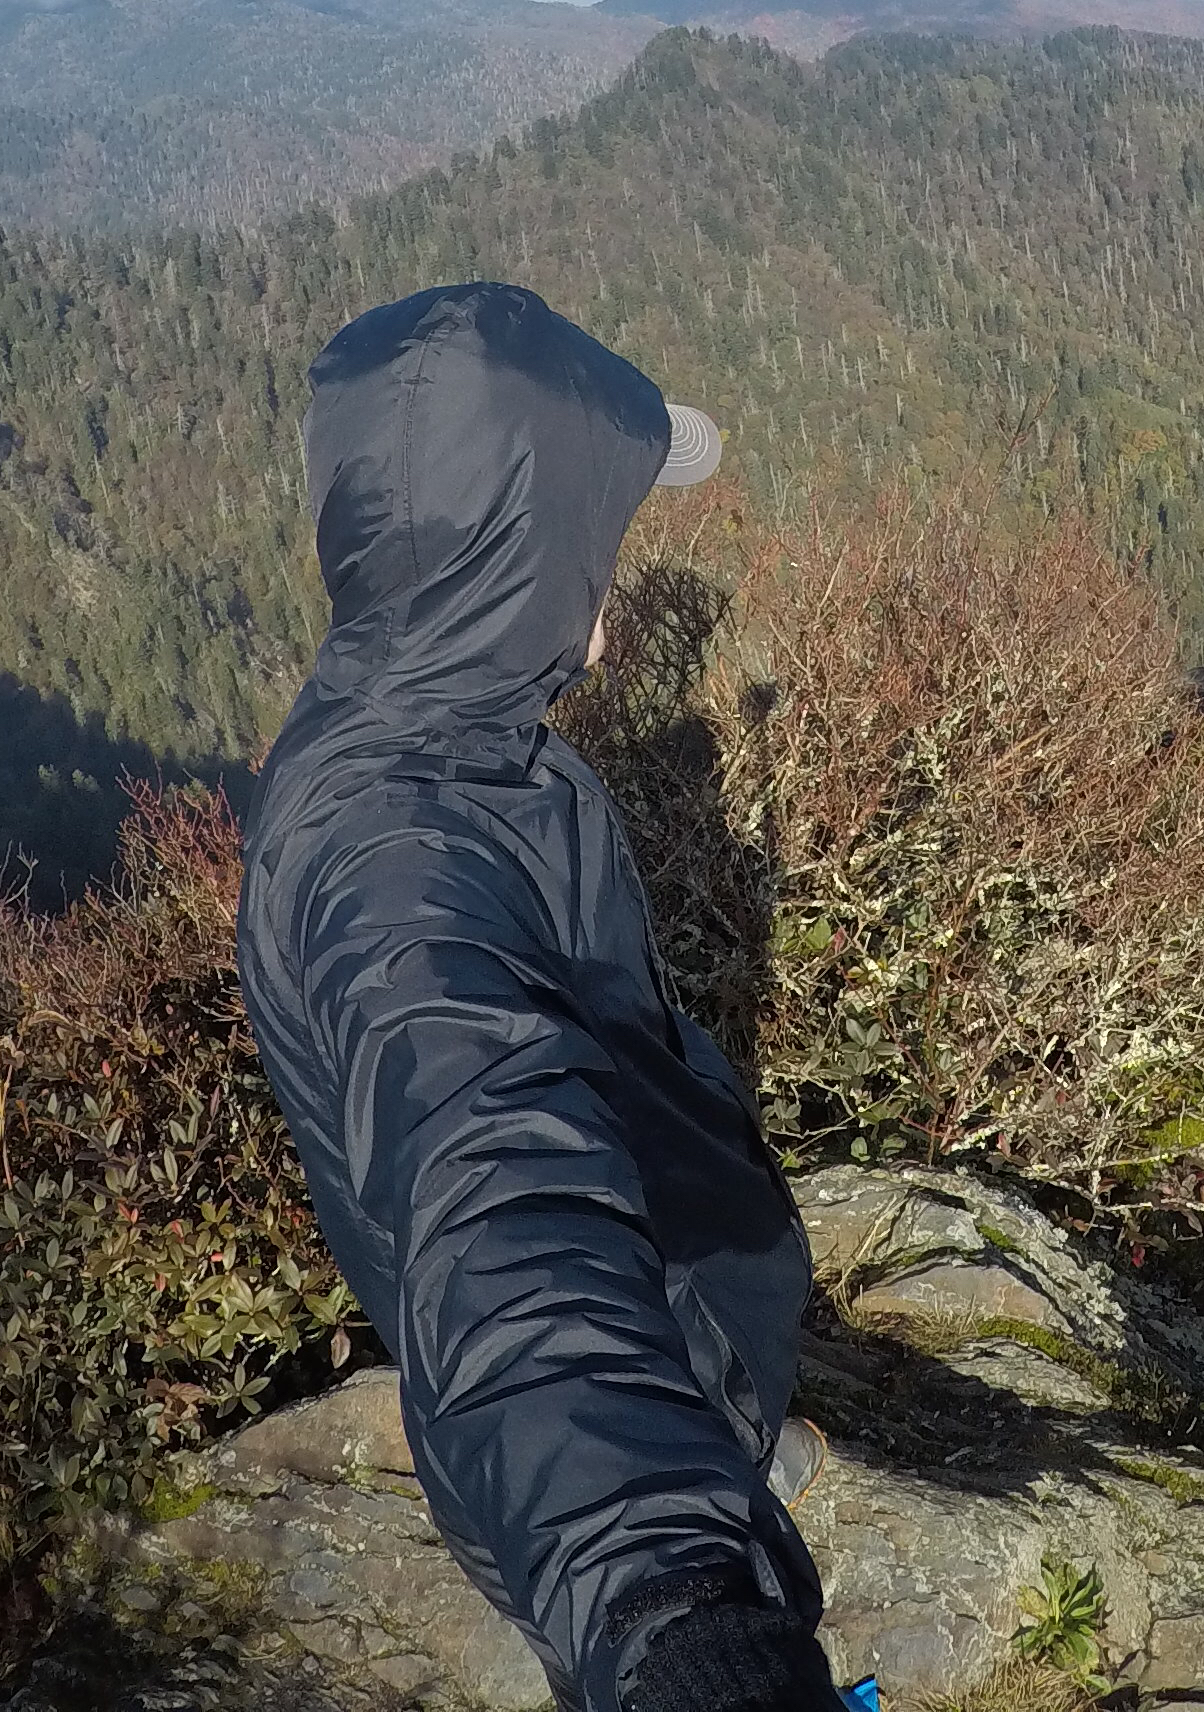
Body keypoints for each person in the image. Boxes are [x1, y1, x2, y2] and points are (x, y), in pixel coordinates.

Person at [235, 282, 840, 1712]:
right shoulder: (393, 865)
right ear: (527, 553)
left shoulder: (440, 736)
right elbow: (506, 1216)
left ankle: (729, 1429)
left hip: (668, 1320)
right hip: (620, 1441)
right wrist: (678, 1605)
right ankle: (713, 1463)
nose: (614, 587)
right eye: (602, 537)